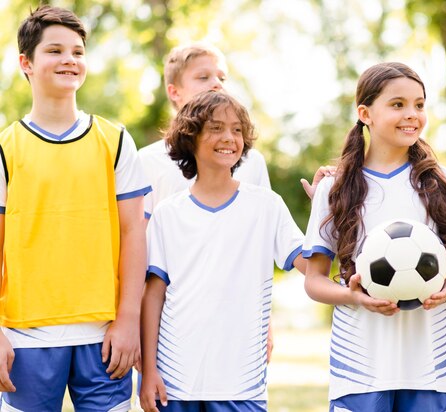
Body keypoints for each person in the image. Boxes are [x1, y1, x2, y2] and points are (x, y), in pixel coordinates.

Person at [0, 5, 150, 411]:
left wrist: (128, 320)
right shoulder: (5, 148)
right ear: (25, 63)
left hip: (103, 338)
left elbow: (135, 232)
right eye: (55, 51)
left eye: (78, 52)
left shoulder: (115, 140)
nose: (69, 59)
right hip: (25, 338)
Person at [303, 62, 446, 412]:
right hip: (359, 366)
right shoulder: (334, 188)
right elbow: (313, 280)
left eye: (419, 105)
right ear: (365, 113)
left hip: (429, 365)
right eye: (398, 105)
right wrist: (355, 297)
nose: (412, 114)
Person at [139, 90, 307, 412]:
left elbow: (309, 263)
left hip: (241, 383)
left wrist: (330, 204)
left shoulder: (266, 205)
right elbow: (153, 295)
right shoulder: (167, 213)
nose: (228, 137)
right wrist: (149, 372)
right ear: (191, 137)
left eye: (237, 129)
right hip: (175, 381)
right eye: (215, 128)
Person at [139, 43, 271, 221]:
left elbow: (267, 226)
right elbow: (141, 234)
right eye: (203, 77)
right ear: (174, 92)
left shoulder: (252, 161)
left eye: (222, 79)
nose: (217, 84)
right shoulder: (147, 160)